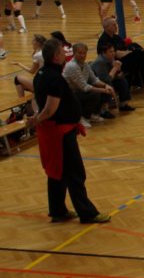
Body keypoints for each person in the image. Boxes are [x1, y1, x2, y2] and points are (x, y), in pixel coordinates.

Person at [26, 37, 111, 225]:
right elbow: (50, 109)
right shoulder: (54, 78)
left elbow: (41, 103)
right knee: (75, 173)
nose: (66, 54)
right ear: (56, 56)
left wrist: (37, 117)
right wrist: (37, 119)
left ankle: (58, 211)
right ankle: (87, 213)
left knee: (57, 171)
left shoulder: (41, 74)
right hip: (60, 133)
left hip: (54, 131)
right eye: (62, 52)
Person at [63, 42, 117, 126]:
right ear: (74, 53)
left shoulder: (84, 64)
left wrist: (106, 86)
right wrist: (104, 90)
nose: (83, 55)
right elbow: (84, 87)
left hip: (79, 91)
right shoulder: (72, 66)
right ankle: (82, 117)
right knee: (95, 94)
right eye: (80, 53)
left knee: (104, 88)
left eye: (84, 53)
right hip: (68, 94)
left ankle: (92, 114)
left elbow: (94, 80)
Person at [91, 41, 135, 113]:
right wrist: (115, 68)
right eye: (110, 52)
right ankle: (104, 110)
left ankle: (123, 104)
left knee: (122, 81)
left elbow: (115, 76)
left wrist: (119, 71)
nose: (113, 53)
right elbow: (105, 80)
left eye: (114, 51)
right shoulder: (100, 62)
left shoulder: (111, 59)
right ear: (104, 53)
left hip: (108, 80)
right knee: (108, 85)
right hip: (98, 84)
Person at [13, 33, 47, 106]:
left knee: (17, 79)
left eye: (33, 40)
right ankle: (22, 104)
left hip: (42, 84)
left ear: (37, 43)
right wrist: (35, 50)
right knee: (21, 85)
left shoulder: (37, 55)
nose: (31, 41)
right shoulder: (46, 51)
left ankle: (21, 105)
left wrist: (19, 64)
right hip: (48, 80)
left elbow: (32, 71)